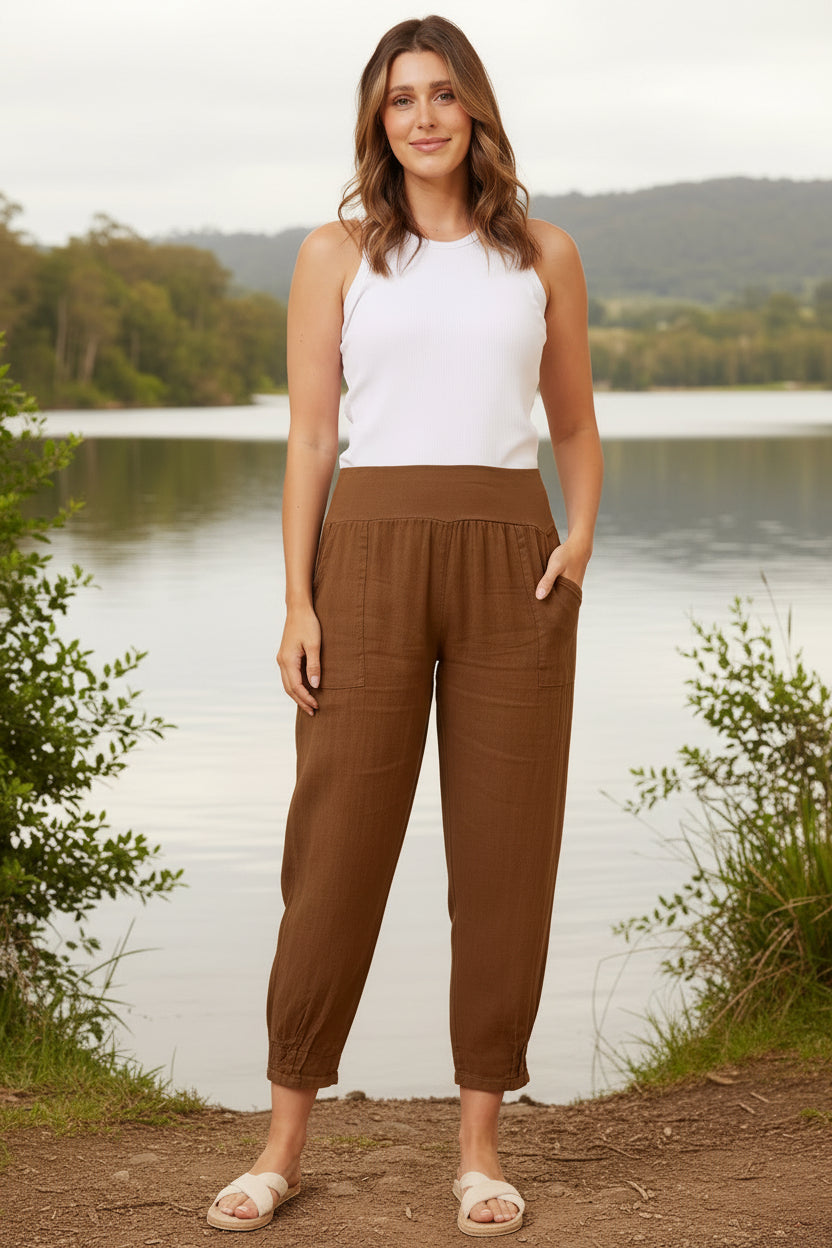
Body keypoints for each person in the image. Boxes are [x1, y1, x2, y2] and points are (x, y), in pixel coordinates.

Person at [207, 13, 603, 1238]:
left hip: (513, 564)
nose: (423, 116)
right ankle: (281, 1146)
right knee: (334, 852)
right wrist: (297, 599)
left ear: (474, 107)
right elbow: (311, 438)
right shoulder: (335, 254)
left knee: (504, 858)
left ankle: (479, 1151)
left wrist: (579, 537)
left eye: (440, 93)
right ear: (376, 122)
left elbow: (572, 424)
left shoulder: (543, 253)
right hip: (366, 560)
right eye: (399, 99)